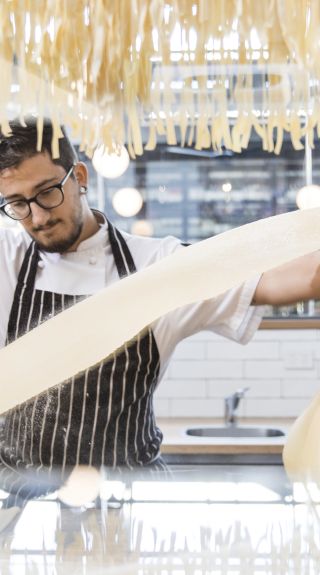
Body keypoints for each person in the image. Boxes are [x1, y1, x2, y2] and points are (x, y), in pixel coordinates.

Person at [0, 117, 319, 476]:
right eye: (17, 204)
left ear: (80, 177)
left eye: (46, 193)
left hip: (129, 501)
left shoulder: (158, 266)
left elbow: (296, 278)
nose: (37, 217)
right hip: (19, 502)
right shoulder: (7, 259)